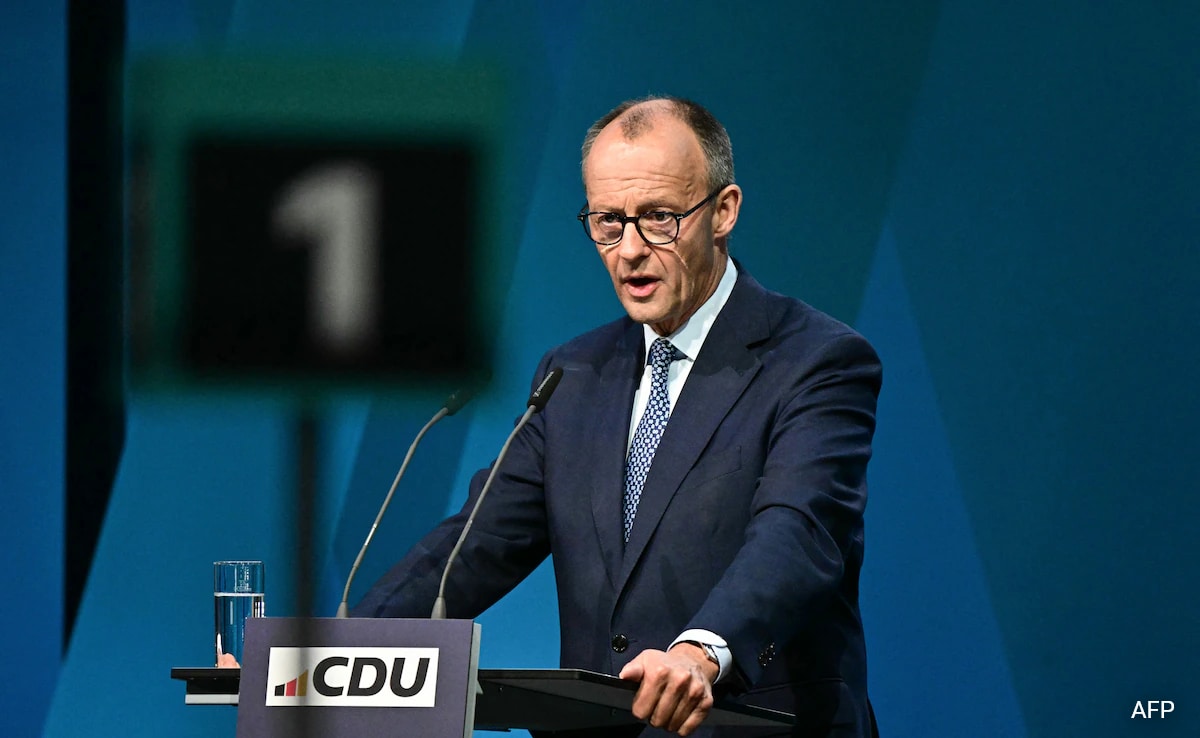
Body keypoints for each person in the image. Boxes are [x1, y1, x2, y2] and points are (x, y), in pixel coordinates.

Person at [353, 96, 883, 738]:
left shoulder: (815, 360)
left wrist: (701, 652)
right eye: (608, 221)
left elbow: (798, 534)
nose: (629, 249)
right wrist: (328, 656)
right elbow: (473, 545)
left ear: (723, 211)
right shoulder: (572, 375)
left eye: (659, 218)